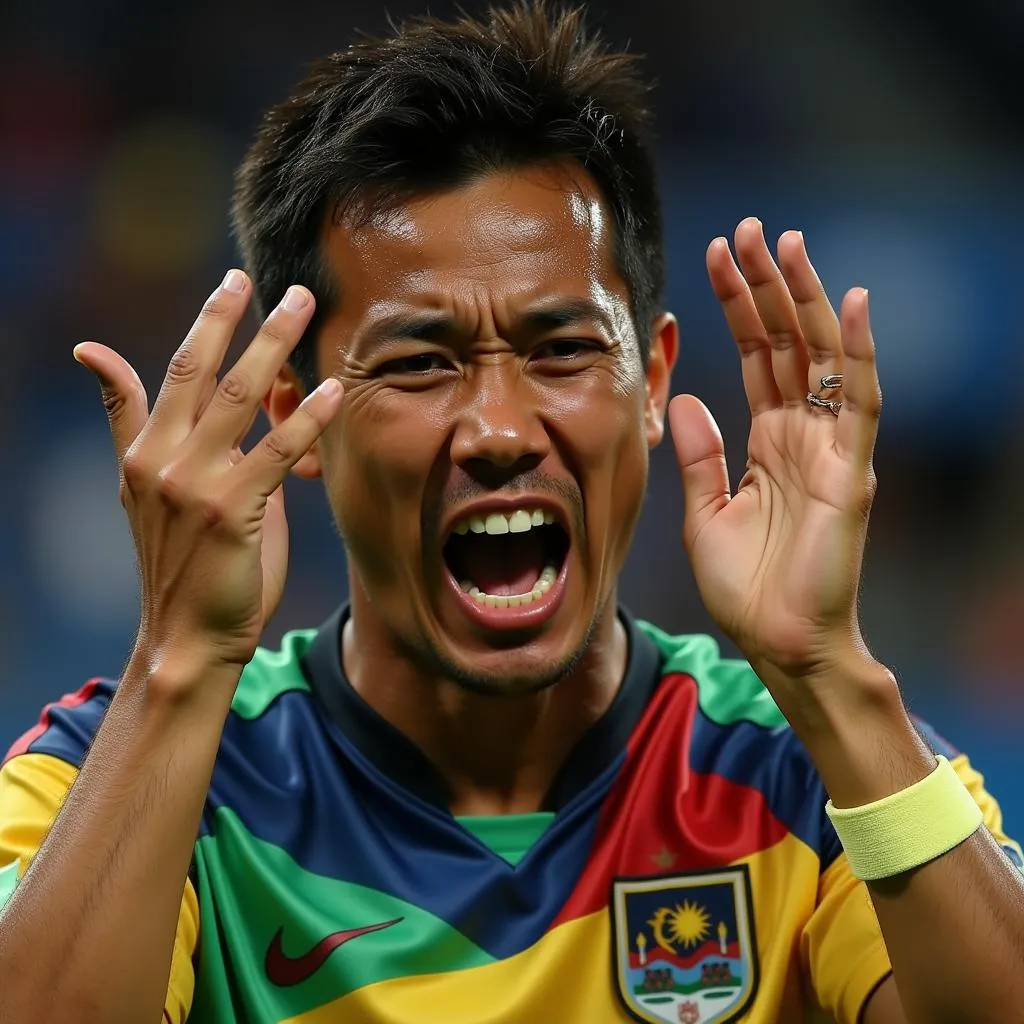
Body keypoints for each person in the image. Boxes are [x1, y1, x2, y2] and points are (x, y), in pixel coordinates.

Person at [1, 3, 1022, 1022]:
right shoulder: (114, 779)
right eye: (419, 362)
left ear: (653, 378)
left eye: (563, 349)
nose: (498, 429)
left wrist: (829, 672)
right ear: (293, 415)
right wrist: (180, 663)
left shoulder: (816, 777)